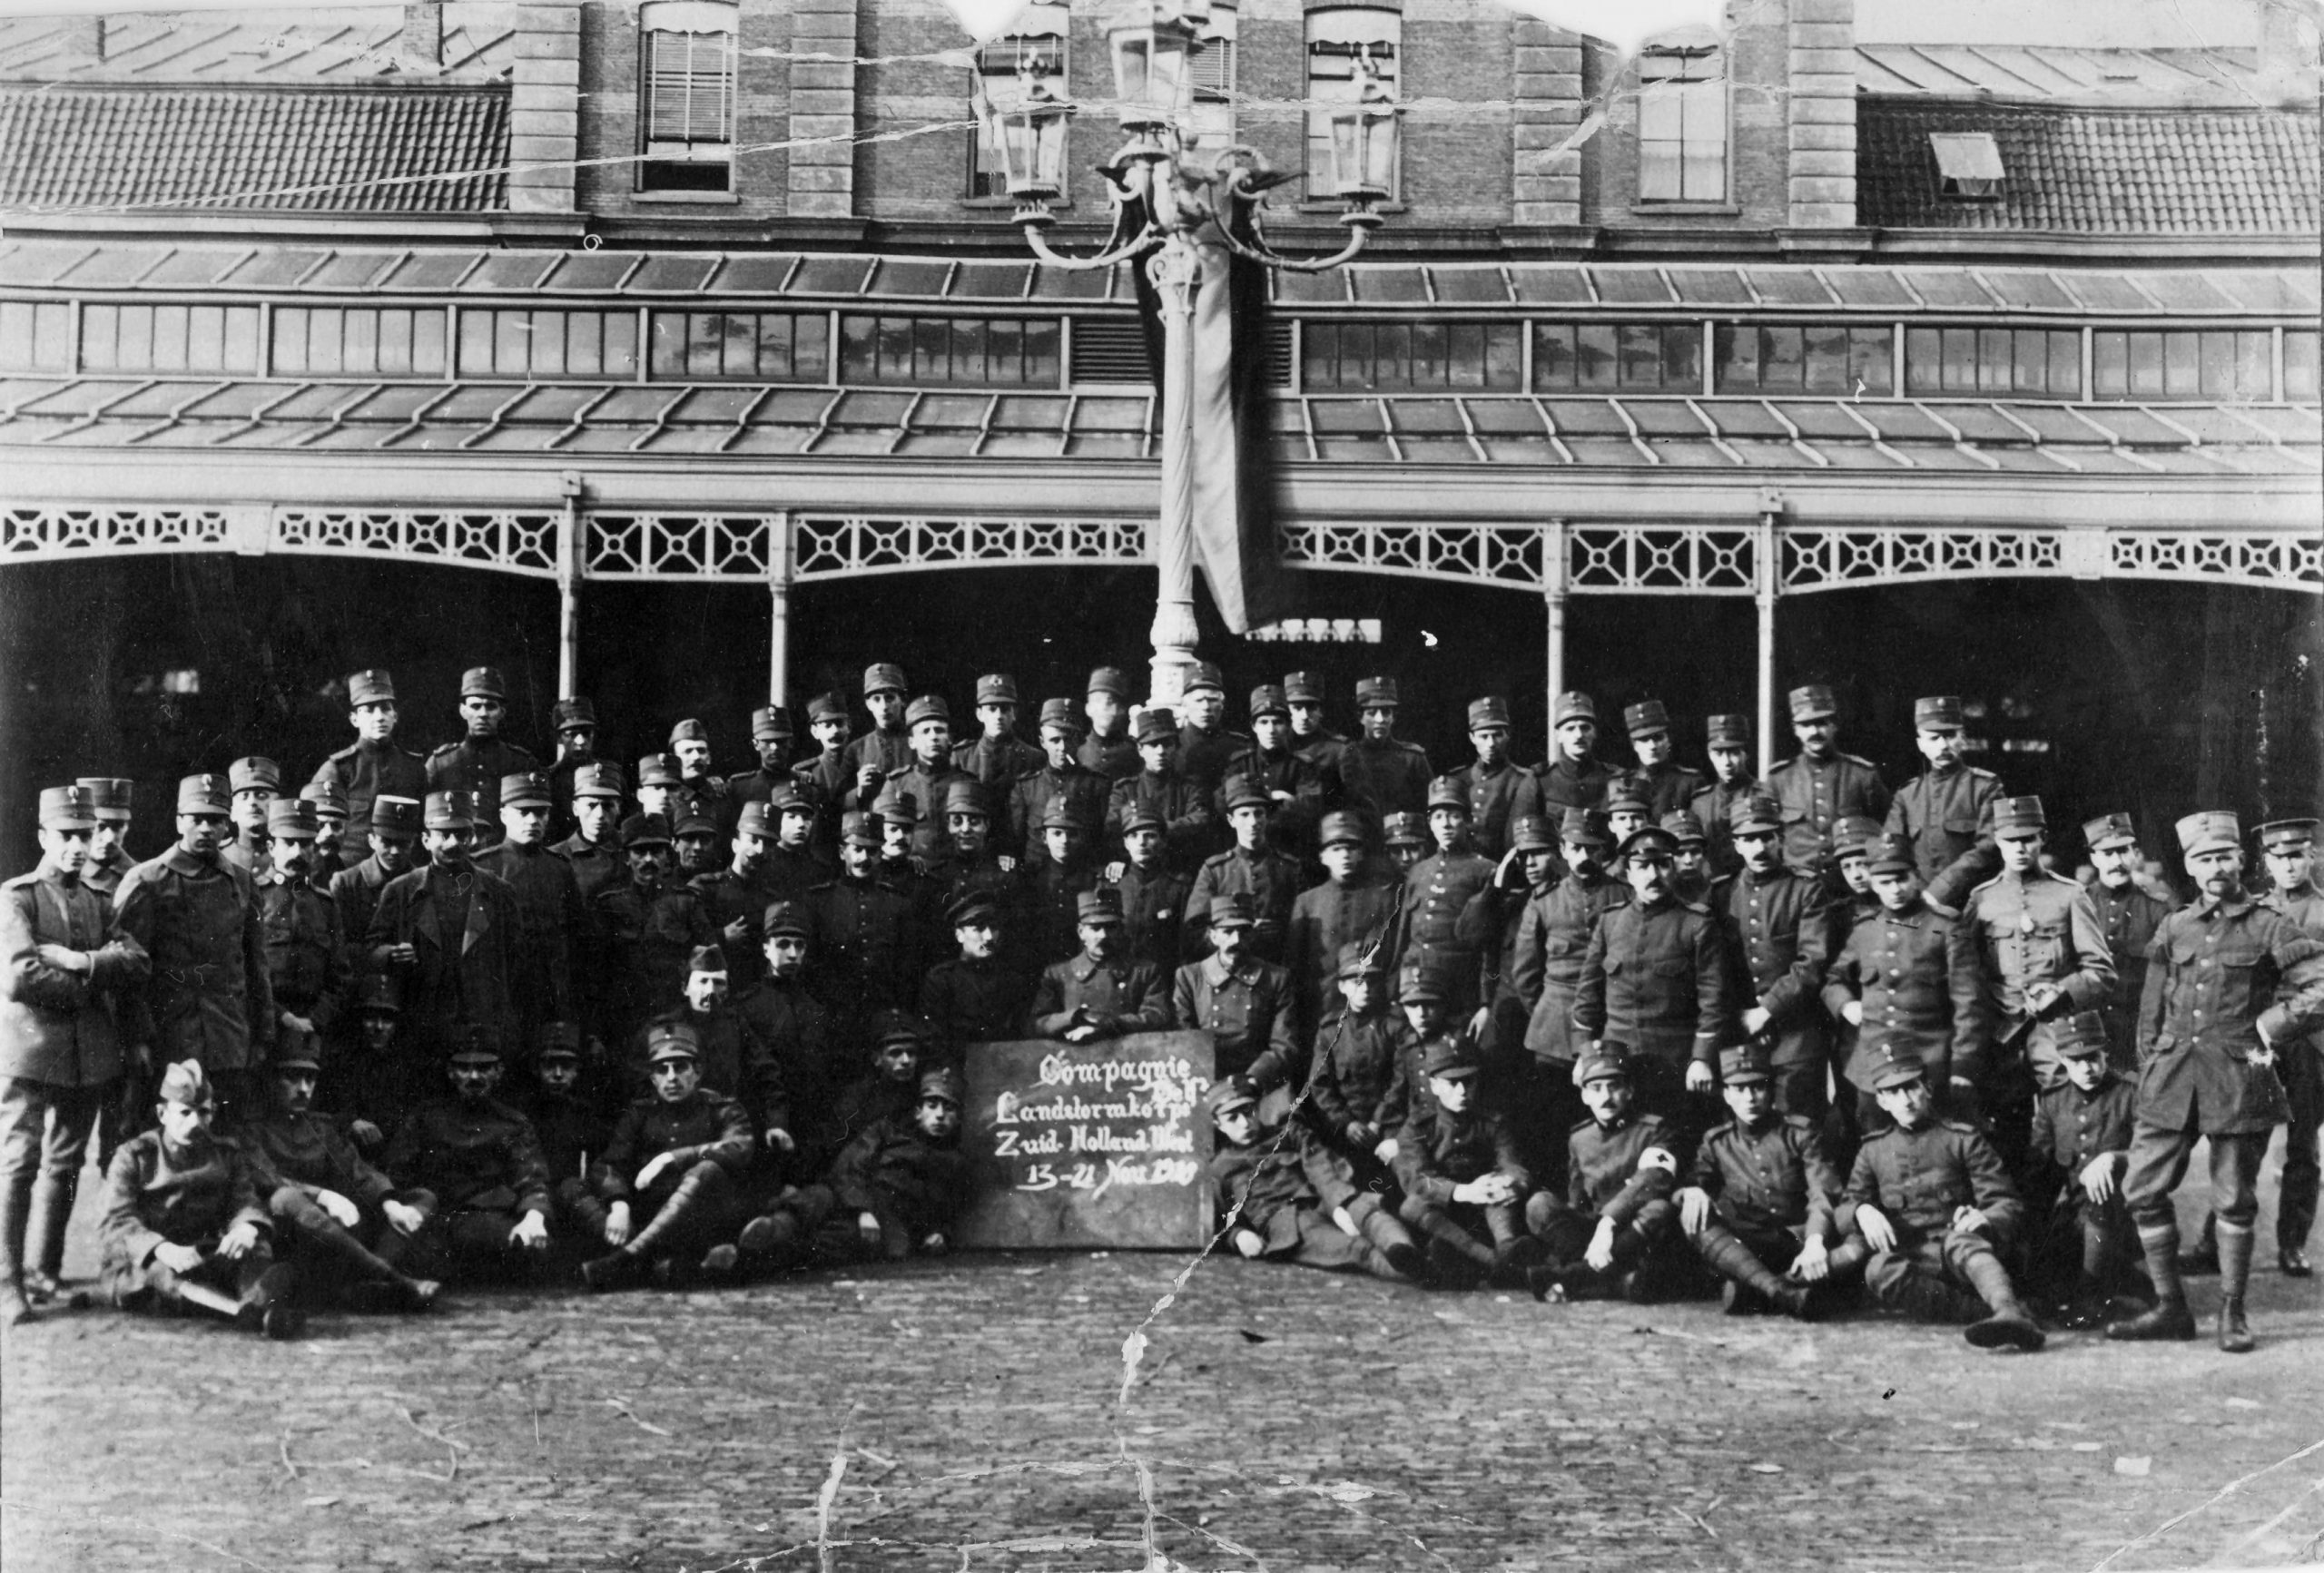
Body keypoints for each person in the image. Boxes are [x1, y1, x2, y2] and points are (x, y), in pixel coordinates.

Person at [2106, 811, 2324, 1353]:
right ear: (2190, 866)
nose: (2216, 867)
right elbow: (2151, 1007)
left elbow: (2318, 989)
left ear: (2242, 861)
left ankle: (2233, 1310)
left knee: (2233, 1201)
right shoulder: (2176, 926)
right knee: (2142, 1189)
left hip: (2238, 1079)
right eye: (2204, 859)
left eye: (2225, 856)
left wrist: (2267, 1029)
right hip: (2171, 1077)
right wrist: (2150, 1063)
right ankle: (2171, 1307)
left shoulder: (2271, 924)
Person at [1, 785, 146, 1322]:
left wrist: (81, 960)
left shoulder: (98, 900)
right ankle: (7, 1282)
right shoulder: (16, 897)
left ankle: (45, 1271)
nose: (79, 846)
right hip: (31, 1053)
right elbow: (19, 975)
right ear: (43, 836)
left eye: (84, 835)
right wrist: (92, 985)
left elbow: (134, 958)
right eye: (67, 836)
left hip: (86, 1058)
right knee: (18, 1164)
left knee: (64, 1165)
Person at [1827, 1042, 2043, 1352]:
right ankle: (1994, 1317)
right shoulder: (1872, 1151)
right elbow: (1846, 1206)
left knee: (1962, 1238)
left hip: (1964, 1260)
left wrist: (1986, 1218)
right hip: (1915, 1264)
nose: (1905, 1099)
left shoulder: (1962, 1140)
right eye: (1894, 1092)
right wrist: (1861, 1210)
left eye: (1911, 1088)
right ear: (1883, 1102)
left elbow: (2006, 1202)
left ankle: (2007, 1309)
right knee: (1878, 1269)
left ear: (1926, 1088)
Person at [113, 773, 276, 1126]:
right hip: (168, 1036)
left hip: (228, 1037)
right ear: (178, 822)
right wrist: (137, 1038)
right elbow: (129, 972)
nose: (206, 828)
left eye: (215, 820)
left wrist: (263, 1032)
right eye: (196, 819)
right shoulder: (148, 881)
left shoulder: (242, 882)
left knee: (228, 1136)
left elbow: (255, 964)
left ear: (226, 824)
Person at [1959, 796, 2115, 1163]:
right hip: (2000, 1032)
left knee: (2069, 1121)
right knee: (2002, 1129)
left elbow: (2101, 971)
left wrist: (2061, 990)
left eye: (2027, 838)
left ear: (2042, 838)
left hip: (2057, 1033)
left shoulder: (2069, 895)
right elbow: (1964, 968)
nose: (2019, 848)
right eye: (2010, 839)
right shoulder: (1982, 900)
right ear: (1997, 841)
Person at [98, 1059, 302, 1338]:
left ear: (213, 1113)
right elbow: (117, 1220)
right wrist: (160, 1248)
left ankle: (256, 1297)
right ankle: (244, 1310)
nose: (195, 1122)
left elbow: (245, 1201)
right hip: (150, 1257)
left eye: (203, 1113)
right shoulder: (134, 1155)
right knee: (160, 1274)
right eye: (185, 1112)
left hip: (205, 1251)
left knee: (256, 1246)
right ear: (162, 1113)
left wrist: (246, 1228)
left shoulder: (227, 1153)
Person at [244, 1043, 438, 1312]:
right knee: (286, 1197)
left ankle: (366, 1284)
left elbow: (356, 1171)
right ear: (271, 1081)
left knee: (420, 1198)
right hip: (287, 1230)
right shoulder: (253, 1130)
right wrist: (321, 1194)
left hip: (336, 1231)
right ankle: (394, 1279)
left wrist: (390, 1204)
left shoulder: (321, 1128)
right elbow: (266, 1177)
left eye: (310, 1079)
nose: (303, 1088)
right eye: (292, 1078)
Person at [1571, 821, 1728, 1135]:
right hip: (1617, 1065)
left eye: (1662, 864)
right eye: (1642, 866)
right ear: (1628, 873)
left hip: (1675, 1063)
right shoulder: (1610, 922)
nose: (1653, 875)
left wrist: (1701, 1058)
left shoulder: (1696, 925)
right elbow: (1587, 994)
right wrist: (1583, 1053)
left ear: (1673, 869)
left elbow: (1714, 1001)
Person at [1822, 835, 1984, 1140]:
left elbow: (1970, 1004)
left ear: (1916, 877)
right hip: (1872, 1069)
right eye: (1884, 882)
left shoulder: (1946, 927)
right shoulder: (1866, 930)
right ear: (1873, 884)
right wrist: (1845, 1004)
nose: (1894, 890)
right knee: (1878, 1150)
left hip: (1930, 1065)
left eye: (1901, 879)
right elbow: (1833, 978)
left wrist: (1963, 1066)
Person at [740, 1067, 974, 1269]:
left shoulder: (956, 1164)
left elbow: (951, 1209)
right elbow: (849, 1165)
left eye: (949, 1109)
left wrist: (941, 1234)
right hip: (849, 1194)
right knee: (815, 1198)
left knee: (831, 1241)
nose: (940, 1115)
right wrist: (862, 1210)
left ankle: (745, 1258)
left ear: (959, 1118)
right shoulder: (886, 1131)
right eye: (932, 1106)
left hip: (885, 1223)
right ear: (918, 1112)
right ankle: (770, 1230)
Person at [1675, 1044, 1845, 1319]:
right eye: (1739, 1090)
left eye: (1757, 1088)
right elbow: (1695, 1179)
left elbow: (1822, 1191)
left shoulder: (1800, 1133)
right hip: (1748, 1246)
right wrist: (1692, 1191)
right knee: (1695, 1216)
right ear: (1727, 1095)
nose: (1749, 1098)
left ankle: (1756, 1290)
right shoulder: (1717, 1141)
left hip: (1796, 1242)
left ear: (1770, 1091)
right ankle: (1782, 1292)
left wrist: (1814, 1240)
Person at [579, 1025, 754, 1290]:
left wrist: (674, 1157)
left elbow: (740, 1146)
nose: (671, 1077)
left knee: (707, 1169)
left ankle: (626, 1260)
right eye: (662, 1070)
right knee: (574, 1188)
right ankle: (663, 1267)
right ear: (653, 1078)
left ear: (697, 1072)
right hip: (652, 1215)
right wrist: (619, 1203)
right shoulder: (639, 1114)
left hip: (704, 1217)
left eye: (681, 1067)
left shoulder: (722, 1109)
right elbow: (609, 1163)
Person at [367, 791, 529, 1067]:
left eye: (462, 835)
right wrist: (391, 954)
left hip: (481, 1025)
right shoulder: (401, 890)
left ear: (472, 838)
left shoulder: (498, 892)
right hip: (421, 1023)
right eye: (444, 835)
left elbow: (517, 962)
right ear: (426, 839)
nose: (454, 843)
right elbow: (371, 951)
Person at [1506, 809, 1629, 1173]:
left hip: (1610, 1023)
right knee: (1553, 1122)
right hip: (1554, 1033)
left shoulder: (1624, 894)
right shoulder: (1544, 901)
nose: (1585, 857)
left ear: (1605, 851)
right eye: (1576, 848)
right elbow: (1525, 974)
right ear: (1563, 849)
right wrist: (1549, 1013)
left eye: (1592, 849)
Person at [380, 1027, 553, 1283]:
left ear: (499, 1072)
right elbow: (396, 1171)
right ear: (451, 1073)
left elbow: (532, 1176)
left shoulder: (513, 1124)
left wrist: (534, 1217)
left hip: (484, 1221)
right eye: (464, 1068)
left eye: (484, 1069)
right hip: (433, 1220)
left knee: (532, 1246)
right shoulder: (426, 1117)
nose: (474, 1077)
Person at [1205, 1079, 1421, 1283]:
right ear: (1218, 1124)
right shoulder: (1220, 1169)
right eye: (1233, 1118)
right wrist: (1238, 1236)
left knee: (1369, 1214)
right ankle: (1421, 1273)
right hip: (1291, 1226)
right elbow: (1213, 1222)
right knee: (1357, 1249)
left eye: (1248, 1112)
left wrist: (1338, 1205)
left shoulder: (1288, 1134)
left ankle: (1402, 1249)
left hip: (1324, 1197)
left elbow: (1320, 1164)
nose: (1245, 1123)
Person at [1524, 1041, 1686, 1303]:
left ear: (1630, 1090)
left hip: (1629, 1233)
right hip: (1594, 1236)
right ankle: (1616, 1281)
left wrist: (1608, 1222)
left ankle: (1573, 1278)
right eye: (1596, 1088)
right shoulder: (1580, 1137)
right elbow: (1576, 1198)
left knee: (1659, 1208)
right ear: (1585, 1096)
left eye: (1615, 1086)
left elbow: (1654, 1178)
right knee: (1539, 1204)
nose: (1606, 1097)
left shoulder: (1655, 1130)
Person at [1715, 792, 1839, 1124]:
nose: (1758, 848)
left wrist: (1767, 1011)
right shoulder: (1722, 894)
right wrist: (1743, 1016)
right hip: (1739, 1035)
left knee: (1799, 1126)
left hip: (1796, 1036)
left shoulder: (1805, 889)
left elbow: (1812, 961)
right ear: (1736, 844)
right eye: (1748, 839)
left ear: (1780, 838)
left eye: (1766, 838)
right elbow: (1717, 967)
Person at [2023, 1011, 2142, 1327]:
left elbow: (2153, 1152)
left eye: (2092, 1057)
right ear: (2063, 1060)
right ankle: (2116, 1281)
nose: (2086, 1068)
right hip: (2076, 1212)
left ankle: (2092, 1300)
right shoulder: (2053, 1102)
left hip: (2124, 1213)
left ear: (2106, 1054)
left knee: (2100, 1204)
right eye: (2076, 1060)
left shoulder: (2130, 1094)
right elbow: (2040, 1168)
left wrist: (2115, 1158)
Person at [1393, 1035, 1538, 1287]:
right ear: (1435, 1085)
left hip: (1490, 1213)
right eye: (1452, 1083)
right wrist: (1463, 1191)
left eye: (1468, 1081)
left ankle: (1507, 1247)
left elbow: (1512, 1162)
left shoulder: (1492, 1120)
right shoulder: (1418, 1126)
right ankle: (1496, 1263)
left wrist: (1511, 1183)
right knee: (1412, 1206)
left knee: (1498, 1182)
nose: (1462, 1091)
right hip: (1446, 1216)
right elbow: (1418, 1179)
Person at [2253, 815, 2322, 1277]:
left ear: (2312, 855)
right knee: (2240, 1141)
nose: (2289, 865)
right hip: (2257, 1043)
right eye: (2279, 858)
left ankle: (2292, 1244)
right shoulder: (2254, 911)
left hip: (2310, 1041)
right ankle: (2213, 1241)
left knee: (2302, 1147)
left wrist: (2278, 1024)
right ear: (2266, 863)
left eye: (2297, 855)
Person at [591, 811, 717, 1047]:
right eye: (640, 852)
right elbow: (595, 974)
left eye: (656, 852)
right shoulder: (608, 905)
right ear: (627, 858)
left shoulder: (687, 903)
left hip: (675, 1016)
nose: (648, 859)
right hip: (623, 1021)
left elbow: (708, 960)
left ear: (667, 856)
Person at [477, 770, 584, 1039]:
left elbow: (575, 934)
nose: (533, 820)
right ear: (503, 815)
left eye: (540, 813)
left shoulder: (560, 869)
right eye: (523, 812)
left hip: (553, 993)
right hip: (504, 992)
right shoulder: (483, 866)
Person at [254, 799, 351, 1086]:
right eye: (289, 842)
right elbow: (244, 969)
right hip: (265, 1028)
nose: (298, 852)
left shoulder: (326, 904)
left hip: (314, 1031)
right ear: (272, 847)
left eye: (305, 843)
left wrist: (314, 1020)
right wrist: (283, 1017)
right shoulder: (254, 897)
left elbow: (340, 976)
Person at [1383, 777, 1496, 1021]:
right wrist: (1394, 985)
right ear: (1430, 825)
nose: (1445, 824)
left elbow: (1489, 945)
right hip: (1415, 984)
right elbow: (1404, 936)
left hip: (1458, 987)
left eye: (1453, 815)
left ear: (1467, 820)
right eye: (1437, 817)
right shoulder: (1418, 872)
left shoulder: (1485, 871)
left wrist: (1486, 1002)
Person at [1285, 811, 1395, 1047]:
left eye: (1351, 848)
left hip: (1367, 1007)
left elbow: (1389, 957)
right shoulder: (1308, 903)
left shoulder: (1382, 900)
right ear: (1323, 856)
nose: (1344, 855)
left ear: (1361, 853)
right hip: (1319, 1009)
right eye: (1335, 849)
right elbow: (1295, 963)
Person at [1885, 696, 2004, 910]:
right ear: (1920, 744)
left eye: (1949, 736)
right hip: (1918, 904)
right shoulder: (1907, 794)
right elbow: (1892, 850)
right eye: (1933, 738)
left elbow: (1988, 848)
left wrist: (1940, 890)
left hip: (1971, 904)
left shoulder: (1985, 787)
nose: (1942, 745)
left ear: (1963, 738)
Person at [1175, 893, 1302, 1096]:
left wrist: (1253, 1080)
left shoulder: (1276, 978)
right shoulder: (1190, 977)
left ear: (1253, 935)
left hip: (1258, 1080)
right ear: (1213, 935)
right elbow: (1184, 1038)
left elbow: (1284, 1044)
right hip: (1205, 1080)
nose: (1236, 940)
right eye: (1227, 932)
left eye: (1244, 932)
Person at [1763, 684, 1890, 880]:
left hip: (1848, 884)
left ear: (1834, 725)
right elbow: (1770, 836)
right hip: (1798, 884)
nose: (1815, 731)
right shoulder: (1779, 778)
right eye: (1806, 725)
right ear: (1795, 729)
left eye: (1821, 723)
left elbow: (1885, 829)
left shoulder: (1862, 775)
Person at [808, 811, 921, 1031]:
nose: (864, 858)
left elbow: (907, 969)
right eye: (857, 850)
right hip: (834, 1017)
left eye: (872, 851)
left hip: (884, 1015)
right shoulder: (820, 902)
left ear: (881, 854)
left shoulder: (898, 904)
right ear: (842, 853)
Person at [2081, 811, 2173, 1073]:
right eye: (2107, 853)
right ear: (2093, 858)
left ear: (2134, 854)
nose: (2117, 861)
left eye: (2123, 851)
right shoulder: (2079, 905)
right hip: (2089, 1030)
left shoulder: (2157, 909)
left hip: (2138, 1029)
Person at [309, 668, 428, 867]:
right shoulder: (338, 769)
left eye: (385, 708)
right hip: (352, 872)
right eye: (369, 710)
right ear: (354, 719)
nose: (379, 717)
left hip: (404, 871)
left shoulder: (413, 767)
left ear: (395, 716)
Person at [1187, 778, 1303, 966]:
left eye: (1259, 814)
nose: (1253, 822)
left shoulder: (1289, 867)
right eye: (1244, 814)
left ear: (1267, 818)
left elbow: (1303, 925)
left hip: (1277, 965)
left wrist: (1280, 932)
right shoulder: (1215, 870)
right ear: (1231, 820)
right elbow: (1195, 930)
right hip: (1229, 966)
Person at [1029, 890, 1170, 1042]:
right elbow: (1038, 1023)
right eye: (1095, 928)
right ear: (1081, 932)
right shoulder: (1057, 974)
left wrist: (1109, 1024)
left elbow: (1157, 1015)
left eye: (1111, 927)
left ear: (1121, 930)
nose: (1103, 935)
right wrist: (1076, 1017)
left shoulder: (1144, 972)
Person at [426, 666, 538, 850]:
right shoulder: (441, 763)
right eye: (475, 706)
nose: (483, 714)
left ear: (502, 712)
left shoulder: (521, 763)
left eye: (490, 706)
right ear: (463, 711)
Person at [1223, 684, 1327, 864]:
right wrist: (1274, 799)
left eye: (1277, 722)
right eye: (1263, 722)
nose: (1271, 730)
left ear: (1287, 725)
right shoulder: (1241, 764)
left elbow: (1310, 806)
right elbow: (1224, 801)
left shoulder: (1301, 765)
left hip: (1291, 852)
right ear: (1254, 726)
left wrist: (1256, 804)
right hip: (1247, 854)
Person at [1106, 709, 1215, 875]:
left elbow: (1200, 820)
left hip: (1179, 870)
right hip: (1136, 870)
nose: (1160, 751)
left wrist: (1152, 829)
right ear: (1140, 749)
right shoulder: (1126, 789)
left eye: (1167, 744)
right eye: (1153, 744)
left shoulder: (1189, 787)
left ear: (1176, 747)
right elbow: (1113, 827)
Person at [921, 895, 1031, 1051]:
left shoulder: (1012, 980)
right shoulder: (942, 979)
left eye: (993, 928)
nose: (989, 937)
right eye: (979, 929)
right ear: (959, 935)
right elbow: (934, 1037)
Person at [1011, 700, 1109, 866]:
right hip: (1037, 878)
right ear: (1043, 742)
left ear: (1079, 740)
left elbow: (1103, 839)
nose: (1062, 747)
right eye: (1055, 740)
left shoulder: (1097, 785)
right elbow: (1016, 841)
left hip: (1082, 877)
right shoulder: (1026, 787)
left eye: (1068, 739)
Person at [1446, 697, 1543, 863]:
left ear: (1508, 735)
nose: (1491, 744)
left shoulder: (1522, 780)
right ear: (1472, 737)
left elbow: (1516, 840)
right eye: (1483, 736)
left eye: (1497, 735)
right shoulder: (1458, 780)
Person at [1108, 808, 1193, 977]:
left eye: (1150, 836)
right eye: (1134, 836)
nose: (1141, 842)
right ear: (1125, 843)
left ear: (1162, 841)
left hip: (1163, 979)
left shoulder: (1180, 887)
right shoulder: (1111, 883)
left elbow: (1187, 945)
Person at [1337, 676, 1431, 823]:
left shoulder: (1413, 758)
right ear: (1360, 717)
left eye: (1386, 712)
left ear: (1393, 717)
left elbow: (1428, 806)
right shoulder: (1348, 756)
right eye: (1372, 713)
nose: (1380, 719)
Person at [1690, 714, 1757, 880]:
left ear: (1745, 753)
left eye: (1733, 752)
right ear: (1710, 754)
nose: (1726, 762)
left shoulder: (1763, 794)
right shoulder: (1701, 803)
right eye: (1719, 753)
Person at [551, 762, 626, 904]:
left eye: (607, 806)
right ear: (575, 808)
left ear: (618, 808)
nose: (599, 814)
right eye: (591, 805)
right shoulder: (556, 858)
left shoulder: (633, 850)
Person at [1173, 662, 1247, 802]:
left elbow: (1254, 781)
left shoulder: (1240, 745)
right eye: (1199, 700)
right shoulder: (1174, 744)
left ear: (1222, 704)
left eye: (1212, 700)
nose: (1206, 707)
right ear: (1185, 705)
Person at [953, 673, 1043, 788]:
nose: (999, 716)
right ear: (980, 715)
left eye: (1005, 709)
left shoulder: (1033, 758)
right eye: (992, 709)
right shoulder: (962, 758)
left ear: (1014, 714)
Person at [1622, 700, 1707, 822]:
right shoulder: (1625, 784)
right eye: (1644, 739)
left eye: (1658, 738)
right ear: (1634, 745)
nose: (1652, 746)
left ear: (1668, 740)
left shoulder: (1690, 782)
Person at [1535, 692, 1612, 815]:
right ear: (1558, 736)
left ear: (1595, 733)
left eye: (1585, 728)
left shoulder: (1613, 778)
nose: (1579, 735)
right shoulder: (1541, 780)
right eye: (1570, 729)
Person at [842, 662, 913, 786]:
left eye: (890, 698)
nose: (884, 706)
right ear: (868, 704)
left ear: (902, 700)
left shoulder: (918, 741)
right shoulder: (856, 749)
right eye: (876, 699)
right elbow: (839, 800)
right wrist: (858, 790)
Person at [544, 695, 602, 842]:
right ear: (559, 738)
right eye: (572, 734)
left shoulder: (609, 776)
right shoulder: (549, 778)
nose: (581, 741)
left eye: (586, 733)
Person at [1283, 670, 1348, 796]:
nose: (1304, 716)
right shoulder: (1278, 745)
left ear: (1321, 711)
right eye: (1297, 708)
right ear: (1287, 711)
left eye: (1311, 708)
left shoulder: (1339, 749)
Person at [74, 776, 138, 904]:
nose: (110, 838)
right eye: (101, 827)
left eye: (118, 827)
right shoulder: (64, 876)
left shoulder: (142, 877)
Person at [1077, 667, 1140, 783]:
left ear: (1122, 709)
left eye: (1110, 701)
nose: (1103, 707)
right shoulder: (1078, 750)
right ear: (1088, 709)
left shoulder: (1134, 753)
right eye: (1097, 700)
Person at [666, 718, 729, 831]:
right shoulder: (666, 799)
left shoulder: (722, 796)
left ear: (709, 758)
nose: (696, 757)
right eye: (688, 751)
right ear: (674, 759)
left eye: (701, 751)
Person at [222, 755, 280, 877]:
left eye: (262, 795)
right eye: (244, 796)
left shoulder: (287, 855)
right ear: (232, 813)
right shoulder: (220, 857)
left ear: (277, 806)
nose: (252, 802)